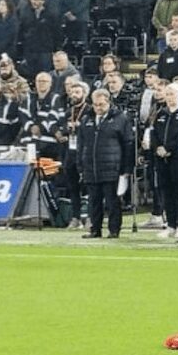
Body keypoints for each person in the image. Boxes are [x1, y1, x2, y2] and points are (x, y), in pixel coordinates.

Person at [78, 89, 134, 239]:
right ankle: (95, 229)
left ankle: (114, 230)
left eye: (101, 104)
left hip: (112, 167)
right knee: (93, 201)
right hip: (91, 167)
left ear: (108, 102)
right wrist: (80, 165)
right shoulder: (86, 119)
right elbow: (81, 144)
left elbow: (128, 143)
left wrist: (127, 167)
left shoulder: (120, 118)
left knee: (112, 201)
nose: (98, 108)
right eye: (95, 105)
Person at [152, 82, 178, 239]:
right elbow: (154, 133)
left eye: (172, 94)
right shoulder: (161, 113)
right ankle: (170, 224)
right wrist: (158, 147)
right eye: (167, 94)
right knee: (166, 192)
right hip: (161, 159)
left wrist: (169, 148)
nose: (169, 97)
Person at [58, 81, 91, 229]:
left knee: (88, 187)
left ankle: (90, 217)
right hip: (70, 152)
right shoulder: (68, 112)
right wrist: (65, 131)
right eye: (72, 92)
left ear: (84, 94)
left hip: (85, 152)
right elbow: (62, 128)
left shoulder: (89, 110)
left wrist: (79, 126)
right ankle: (76, 217)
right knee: (72, 186)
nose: (74, 95)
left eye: (77, 92)